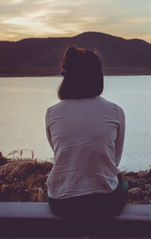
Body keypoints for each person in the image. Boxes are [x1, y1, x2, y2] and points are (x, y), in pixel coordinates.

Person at [45, 46, 127, 219]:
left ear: (66, 77)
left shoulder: (52, 113)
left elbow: (60, 152)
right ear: (97, 76)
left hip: (61, 203)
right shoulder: (115, 111)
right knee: (122, 185)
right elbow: (115, 159)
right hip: (105, 203)